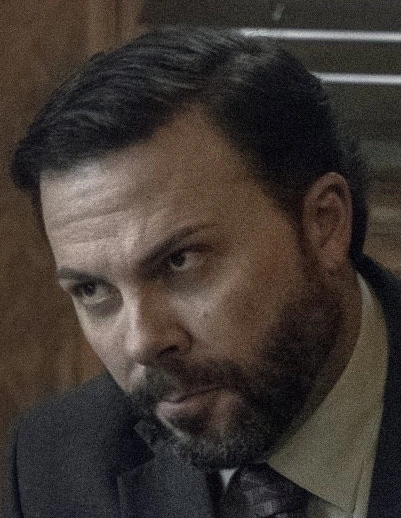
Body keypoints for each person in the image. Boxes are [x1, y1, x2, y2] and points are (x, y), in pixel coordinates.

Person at [3, 27, 400, 518]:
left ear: (324, 225)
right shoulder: (55, 464)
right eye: (91, 289)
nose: (142, 343)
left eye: (181, 261)